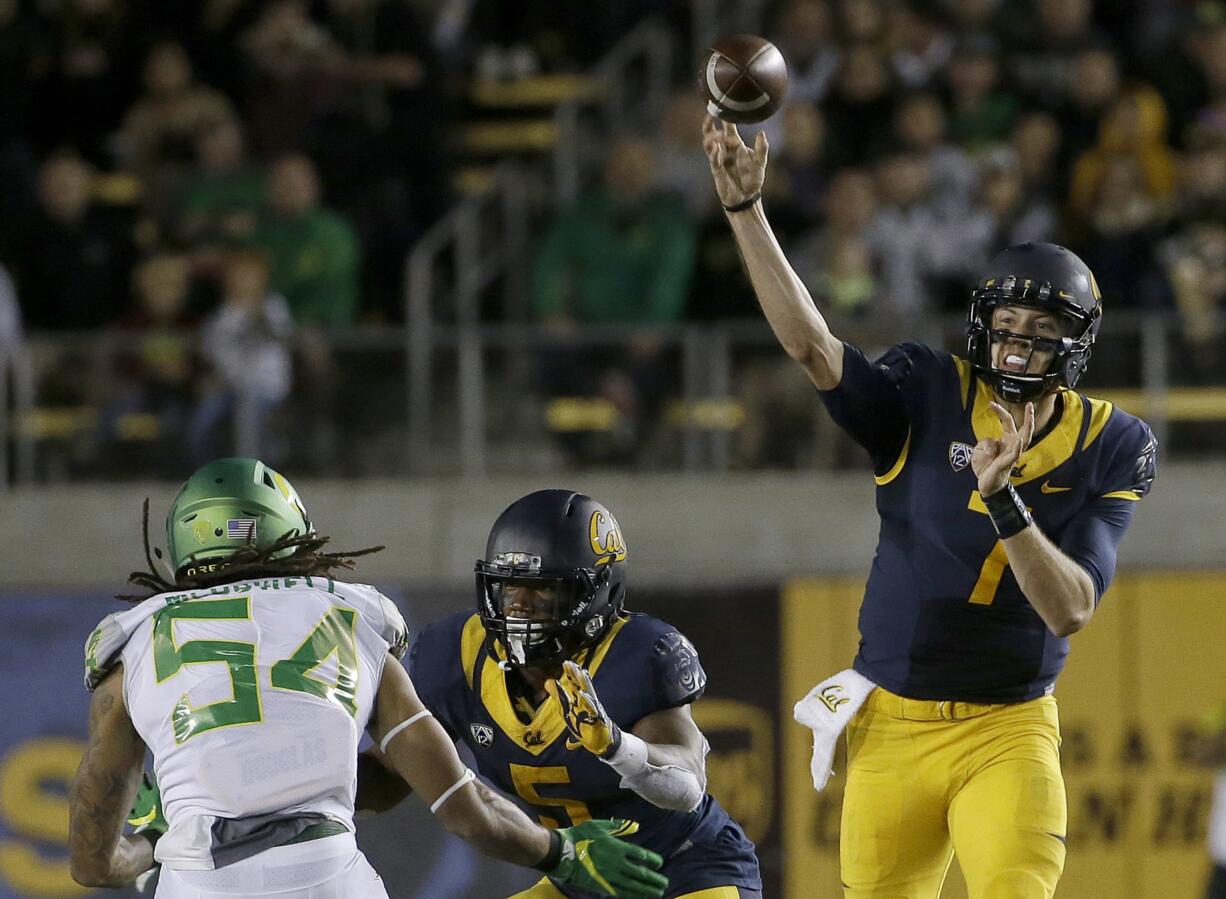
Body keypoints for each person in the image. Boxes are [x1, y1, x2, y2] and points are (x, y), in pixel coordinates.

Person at [702, 115, 1157, 898]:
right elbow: (813, 346)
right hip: (893, 724)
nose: (1016, 343)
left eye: (1040, 329)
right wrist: (747, 211)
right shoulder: (928, 387)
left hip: (1007, 726)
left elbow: (1072, 606)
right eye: (1006, 324)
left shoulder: (1112, 442)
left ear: (1075, 346)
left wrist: (1004, 499)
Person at [68, 458, 668, 898]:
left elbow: (93, 865)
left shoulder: (133, 645)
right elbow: (462, 805)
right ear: (292, 534)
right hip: (328, 879)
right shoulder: (351, 617)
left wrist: (155, 843)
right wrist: (561, 853)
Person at [379, 489, 763, 898]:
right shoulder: (455, 654)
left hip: (684, 868)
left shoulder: (639, 654)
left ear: (594, 594)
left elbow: (688, 784)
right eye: (509, 587)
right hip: (582, 878)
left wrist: (618, 747)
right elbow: (388, 771)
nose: (519, 607)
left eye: (543, 590)